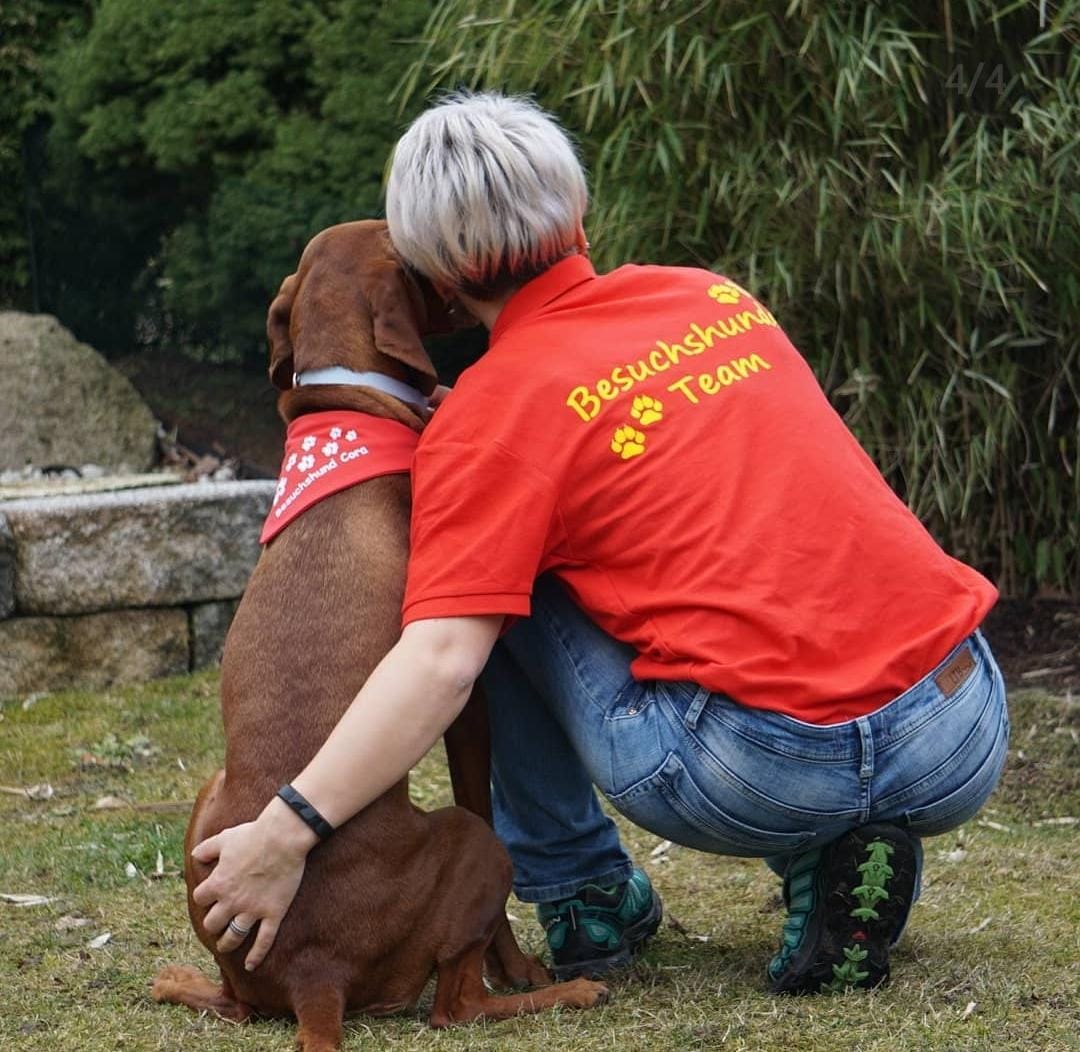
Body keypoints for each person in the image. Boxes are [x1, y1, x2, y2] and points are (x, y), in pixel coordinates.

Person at [191, 91, 1009, 995]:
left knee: (479, 589)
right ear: (577, 211)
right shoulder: (714, 298)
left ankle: (584, 892)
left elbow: (440, 666)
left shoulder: (488, 419)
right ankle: (845, 852)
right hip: (959, 727)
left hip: (766, 771)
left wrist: (286, 831)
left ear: (439, 277)